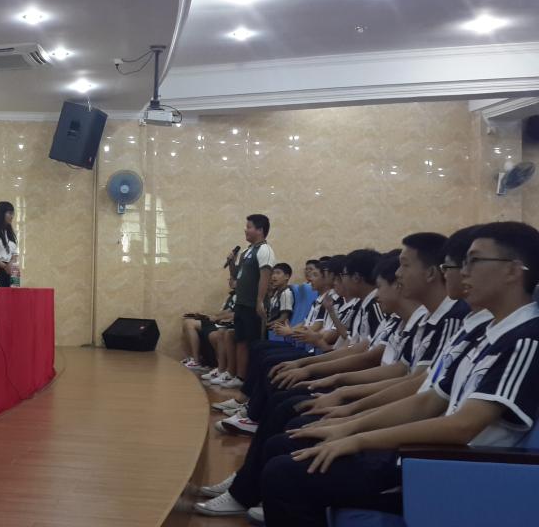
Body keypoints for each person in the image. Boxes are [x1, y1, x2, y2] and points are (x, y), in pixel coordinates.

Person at [264, 222, 539, 526]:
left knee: (285, 471)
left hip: (450, 470)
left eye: (474, 261)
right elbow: (429, 399)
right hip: (424, 455)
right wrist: (349, 424)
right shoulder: (485, 334)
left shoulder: (524, 340)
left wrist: (358, 438)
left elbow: (462, 426)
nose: (463, 272)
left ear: (513, 270)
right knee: (292, 451)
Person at [229, 214, 276, 387]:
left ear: (260, 230)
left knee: (253, 343)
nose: (245, 230)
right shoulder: (247, 251)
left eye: (249, 227)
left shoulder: (265, 250)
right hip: (241, 304)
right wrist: (232, 262)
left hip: (253, 306)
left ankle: (251, 383)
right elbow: (236, 276)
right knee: (240, 340)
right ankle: (239, 378)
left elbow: (265, 276)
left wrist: (259, 301)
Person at [182, 275, 237, 371]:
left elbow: (233, 313)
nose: (230, 281)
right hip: (218, 322)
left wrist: (215, 318)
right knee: (188, 322)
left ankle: (214, 366)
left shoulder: (242, 297)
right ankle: (196, 359)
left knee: (213, 335)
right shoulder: (232, 296)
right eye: (229, 279)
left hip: (225, 325)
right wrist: (207, 316)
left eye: (232, 279)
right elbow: (225, 312)